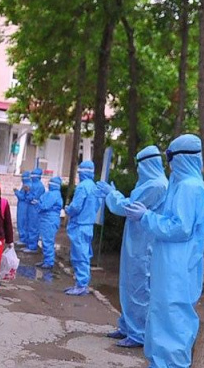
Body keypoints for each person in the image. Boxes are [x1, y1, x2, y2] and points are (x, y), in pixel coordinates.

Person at [126, 134, 204, 368]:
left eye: (170, 158)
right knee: (159, 315)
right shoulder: (180, 185)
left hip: (180, 267)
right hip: (169, 263)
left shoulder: (190, 187)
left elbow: (180, 227)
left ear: (182, 157)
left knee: (175, 320)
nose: (169, 164)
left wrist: (147, 217)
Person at [97, 146, 168, 349]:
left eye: (140, 165)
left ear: (148, 164)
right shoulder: (149, 183)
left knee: (139, 288)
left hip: (145, 246)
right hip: (136, 242)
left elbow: (128, 207)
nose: (138, 170)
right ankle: (127, 326)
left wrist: (112, 194)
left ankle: (138, 334)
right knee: (128, 284)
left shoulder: (157, 185)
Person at [63, 160, 103, 295]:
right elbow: (97, 206)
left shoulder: (82, 187)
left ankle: (81, 285)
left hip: (79, 225)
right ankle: (81, 283)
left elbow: (76, 206)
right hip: (88, 225)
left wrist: (68, 210)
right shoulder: (94, 187)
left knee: (79, 255)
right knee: (84, 254)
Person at [36, 176, 63, 269]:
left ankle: (49, 261)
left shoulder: (53, 194)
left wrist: (38, 203)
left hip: (49, 220)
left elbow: (44, 206)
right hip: (47, 219)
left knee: (48, 241)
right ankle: (46, 260)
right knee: (45, 240)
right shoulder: (51, 193)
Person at [25, 168, 46, 252]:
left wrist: (28, 193)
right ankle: (29, 244)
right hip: (31, 207)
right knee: (29, 225)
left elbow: (33, 197)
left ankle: (32, 246)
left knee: (33, 226)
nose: (32, 177)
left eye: (34, 175)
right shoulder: (34, 184)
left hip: (35, 208)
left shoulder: (40, 186)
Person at [14, 172, 32, 253]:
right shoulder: (27, 184)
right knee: (22, 223)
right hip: (23, 206)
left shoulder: (27, 185)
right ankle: (23, 239)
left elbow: (22, 197)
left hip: (23, 207)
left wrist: (16, 192)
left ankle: (23, 239)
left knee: (22, 223)